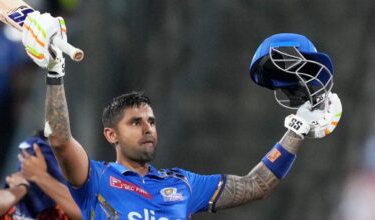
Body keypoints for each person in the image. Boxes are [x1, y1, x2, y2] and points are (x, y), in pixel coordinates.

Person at [21, 12, 342, 219]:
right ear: (111, 135)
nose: (148, 128)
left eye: (151, 121)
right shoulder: (96, 179)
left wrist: (298, 126)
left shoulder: (183, 184)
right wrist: (54, 69)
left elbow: (256, 184)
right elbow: (60, 139)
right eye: (135, 122)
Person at [0, 130, 82, 220]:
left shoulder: (65, 209)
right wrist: (24, 187)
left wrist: (39, 176)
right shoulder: (14, 202)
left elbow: (88, 212)